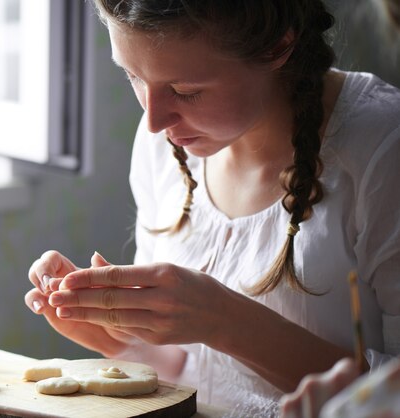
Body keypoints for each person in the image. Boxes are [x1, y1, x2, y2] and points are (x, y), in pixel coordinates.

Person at [25, 0, 400, 411]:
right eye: (132, 75)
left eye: (186, 92)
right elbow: (194, 373)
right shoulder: (166, 141)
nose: (153, 121)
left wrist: (223, 320)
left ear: (277, 46)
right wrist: (121, 338)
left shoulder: (382, 150)